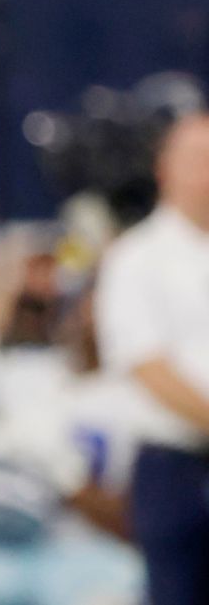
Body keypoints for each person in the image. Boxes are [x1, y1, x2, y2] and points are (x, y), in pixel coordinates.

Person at [94, 114, 209, 605]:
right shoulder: (136, 257)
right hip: (174, 465)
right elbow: (146, 364)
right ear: (165, 168)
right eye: (197, 159)